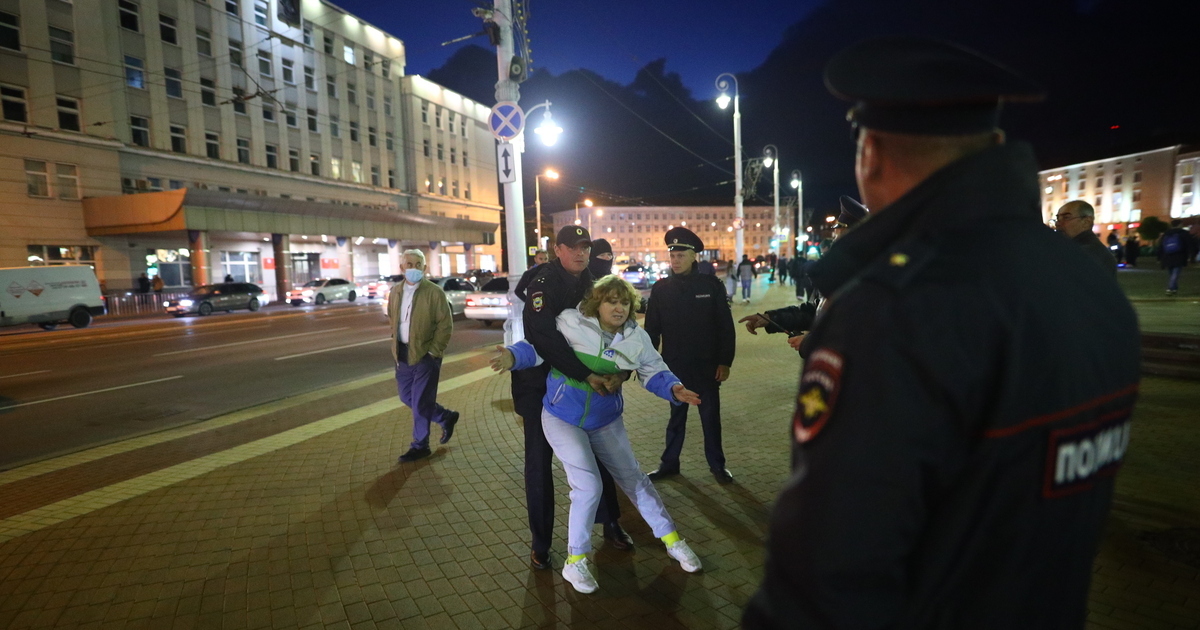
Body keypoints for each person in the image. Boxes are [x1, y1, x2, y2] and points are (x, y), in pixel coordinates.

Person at [743, 37, 1140, 629]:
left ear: (870, 154)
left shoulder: (894, 310)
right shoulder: (1084, 275)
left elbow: (830, 569)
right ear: (996, 146)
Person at [491, 275, 704, 594]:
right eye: (611, 301)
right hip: (561, 416)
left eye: (625, 302)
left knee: (634, 478)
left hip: (605, 419)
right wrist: (512, 356)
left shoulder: (637, 337)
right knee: (588, 484)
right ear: (597, 303)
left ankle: (673, 541)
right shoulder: (571, 321)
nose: (618, 308)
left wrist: (673, 388)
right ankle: (575, 562)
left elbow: (654, 370)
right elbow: (539, 349)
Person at [516, 225, 631, 571]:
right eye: (573, 247)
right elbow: (546, 339)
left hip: (585, 387)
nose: (581, 253)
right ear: (557, 249)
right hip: (539, 386)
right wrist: (586, 373)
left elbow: (617, 324)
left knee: (601, 454)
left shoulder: (594, 281)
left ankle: (610, 523)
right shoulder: (542, 284)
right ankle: (541, 543)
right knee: (539, 463)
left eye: (586, 247)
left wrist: (622, 369)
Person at [644, 227, 737, 483]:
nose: (675, 260)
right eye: (672, 255)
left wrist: (724, 362)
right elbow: (651, 330)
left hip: (707, 368)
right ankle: (669, 464)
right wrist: (649, 366)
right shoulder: (661, 290)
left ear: (694, 255)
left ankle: (717, 466)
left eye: (681, 255)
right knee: (676, 420)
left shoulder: (711, 286)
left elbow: (725, 328)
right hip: (674, 370)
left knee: (710, 420)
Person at [390, 249, 460, 463]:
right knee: (406, 396)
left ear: (424, 268)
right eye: (409, 264)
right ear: (402, 268)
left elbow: (445, 324)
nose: (413, 268)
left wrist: (433, 352)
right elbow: (394, 320)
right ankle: (444, 416)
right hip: (402, 354)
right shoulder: (395, 291)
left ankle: (420, 445)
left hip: (425, 355)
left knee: (420, 401)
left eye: (417, 264)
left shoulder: (434, 292)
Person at [1054, 200, 1116, 275]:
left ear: (1087, 222)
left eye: (1066, 217)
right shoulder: (1077, 249)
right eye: (1058, 219)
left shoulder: (1083, 254)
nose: (1058, 223)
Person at [1158, 219, 1197, 296]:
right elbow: (1190, 245)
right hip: (1179, 256)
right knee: (1175, 273)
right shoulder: (1183, 233)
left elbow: (1161, 246)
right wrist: (1191, 256)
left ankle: (1174, 289)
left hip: (1167, 256)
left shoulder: (1166, 234)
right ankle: (1170, 288)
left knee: (1171, 273)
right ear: (1179, 224)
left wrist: (1159, 258)